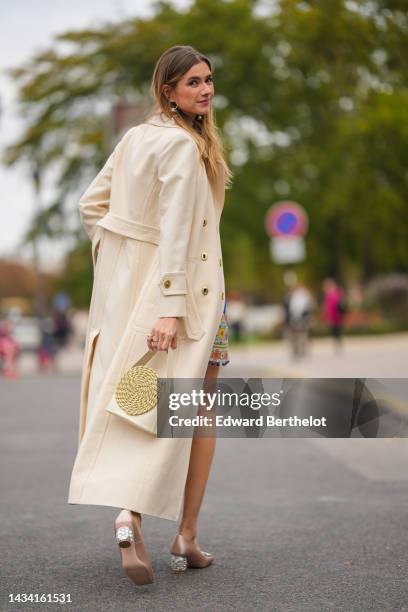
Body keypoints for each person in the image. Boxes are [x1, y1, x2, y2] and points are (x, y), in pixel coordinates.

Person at [67, 45, 232, 585]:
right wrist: (165, 303)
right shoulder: (183, 147)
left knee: (141, 396)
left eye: (208, 80)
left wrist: (123, 269)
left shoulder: (135, 137)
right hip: (186, 300)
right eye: (192, 83)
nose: (205, 90)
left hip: (151, 293)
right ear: (168, 91)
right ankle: (173, 530)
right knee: (189, 407)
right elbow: (181, 232)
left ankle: (136, 517)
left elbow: (94, 207)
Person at [323, 278, 346, 351]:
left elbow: (332, 306)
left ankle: (337, 344)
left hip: (335, 316)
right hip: (335, 316)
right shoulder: (336, 293)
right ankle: (337, 344)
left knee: (336, 331)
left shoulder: (333, 294)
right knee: (336, 331)